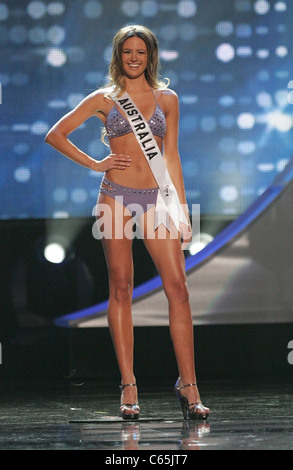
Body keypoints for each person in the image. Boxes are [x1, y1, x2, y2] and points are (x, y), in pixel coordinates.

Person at [45, 25, 209, 421]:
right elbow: (56, 134)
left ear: (151, 56)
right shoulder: (104, 98)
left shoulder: (167, 99)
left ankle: (188, 385)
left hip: (158, 200)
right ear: (118, 56)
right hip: (115, 197)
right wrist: (95, 163)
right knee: (121, 286)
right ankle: (128, 385)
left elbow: (171, 158)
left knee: (178, 288)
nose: (134, 58)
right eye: (127, 52)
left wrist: (182, 211)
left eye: (141, 52)